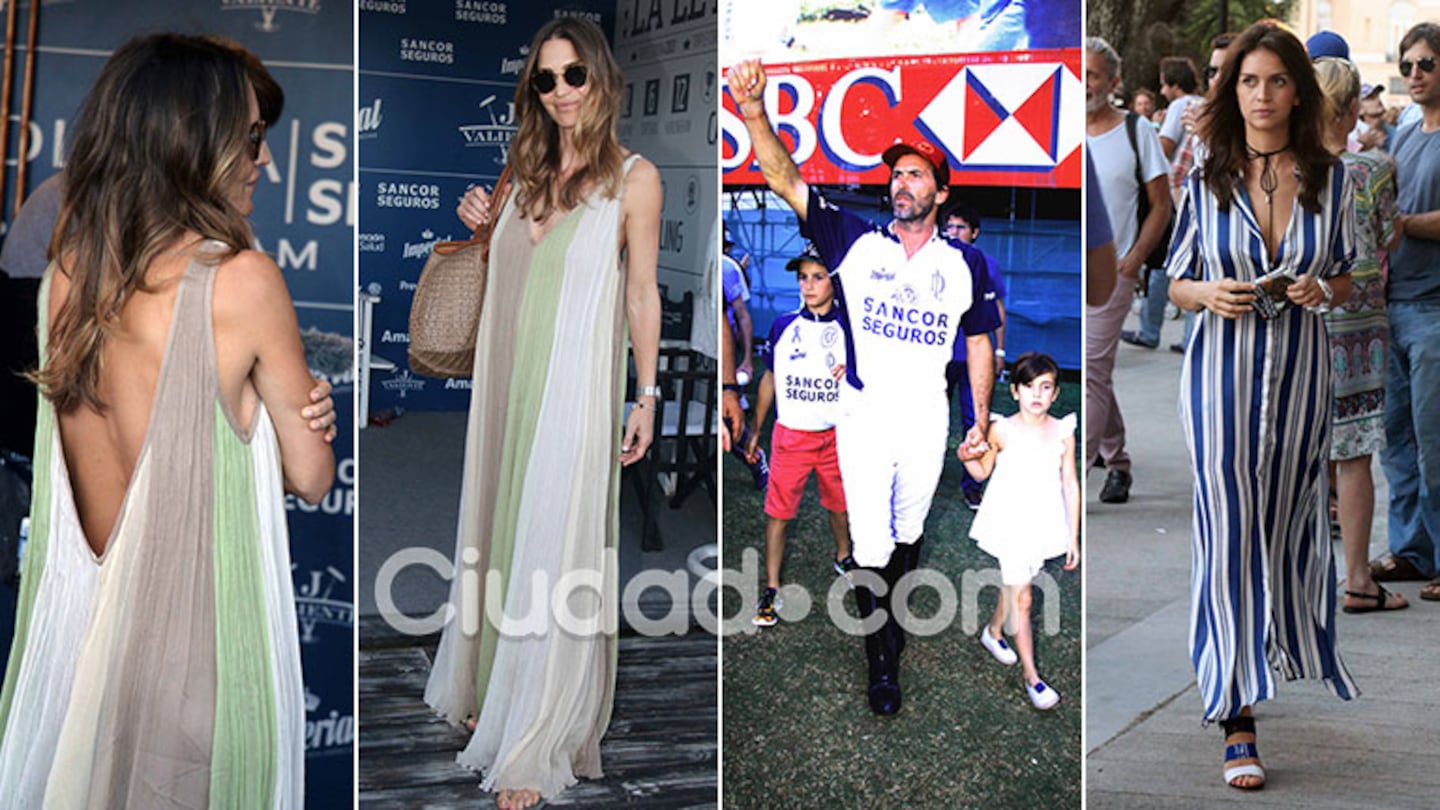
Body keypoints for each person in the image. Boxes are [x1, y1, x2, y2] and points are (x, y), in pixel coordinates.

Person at [0, 33, 335, 806]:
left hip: (78, 651)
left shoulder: (64, 281)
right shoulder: (242, 283)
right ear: (194, 137)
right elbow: (313, 477)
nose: (265, 161)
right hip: (200, 660)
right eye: (252, 138)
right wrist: (307, 403)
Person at [422, 17, 662, 810]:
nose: (559, 93)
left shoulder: (635, 178)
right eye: (544, 80)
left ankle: (534, 736)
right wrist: (484, 228)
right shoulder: (521, 170)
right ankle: (495, 689)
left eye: (573, 77)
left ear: (601, 80)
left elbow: (639, 292)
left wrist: (647, 394)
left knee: (553, 539)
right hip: (506, 377)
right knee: (498, 527)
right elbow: (515, 272)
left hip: (573, 387)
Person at [729, 59, 1000, 716]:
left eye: (916, 174)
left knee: (908, 536)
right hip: (866, 415)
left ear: (940, 193)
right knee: (872, 544)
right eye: (896, 173)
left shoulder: (965, 263)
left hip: (927, 417)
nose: (901, 182)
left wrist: (981, 419)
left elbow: (979, 341)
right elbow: (783, 178)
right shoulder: (855, 241)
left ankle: (887, 617)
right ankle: (883, 663)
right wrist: (756, 110)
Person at [1166, 19, 1357, 790]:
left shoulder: (1332, 178)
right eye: (1249, 81)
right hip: (1219, 382)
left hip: (1303, 385)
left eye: (1278, 80)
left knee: (1283, 528)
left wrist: (1322, 289)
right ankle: (1235, 711)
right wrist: (1207, 292)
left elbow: (1345, 274)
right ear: (1231, 89)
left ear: (1298, 91)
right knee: (1230, 529)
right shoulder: (1205, 176)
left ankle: (1269, 648)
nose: (1264, 95)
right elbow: (1175, 278)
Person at [1314, 57, 1407, 614]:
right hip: (1362, 324)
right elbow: (1389, 235)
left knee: (1299, 452)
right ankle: (1357, 579)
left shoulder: (1290, 167)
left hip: (1305, 318)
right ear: (1350, 109)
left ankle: (1293, 579)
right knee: (1355, 455)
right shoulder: (1373, 169)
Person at [959, 351, 1078, 709]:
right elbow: (983, 472)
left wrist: (1073, 536)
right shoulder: (1002, 429)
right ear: (1014, 391)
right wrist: (967, 458)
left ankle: (993, 632)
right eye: (1028, 387)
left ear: (1056, 393)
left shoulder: (1063, 431)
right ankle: (1033, 677)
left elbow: (1070, 482)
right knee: (1023, 597)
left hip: (1041, 523)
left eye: (1045, 387)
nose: (1037, 394)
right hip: (1009, 522)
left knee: (1015, 585)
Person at [744, 243, 853, 627]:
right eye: (803, 277)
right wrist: (756, 428)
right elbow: (769, 378)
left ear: (835, 282)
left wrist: (853, 373)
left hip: (835, 436)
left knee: (839, 504)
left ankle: (844, 557)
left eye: (818, 277)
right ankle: (771, 588)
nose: (808, 286)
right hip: (790, 436)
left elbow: (869, 382)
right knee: (778, 512)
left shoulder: (851, 330)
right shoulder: (783, 325)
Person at [1370, 22, 1440, 603]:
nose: (1414, 75)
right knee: (1397, 441)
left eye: (1426, 65)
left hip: (1435, 306)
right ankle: (1413, 550)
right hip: (1394, 302)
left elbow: (1409, 218)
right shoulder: (1405, 132)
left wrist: (1400, 226)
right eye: (1408, 65)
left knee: (1435, 439)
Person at [1085, 37, 1171, 503]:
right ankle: (1117, 461)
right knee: (1097, 372)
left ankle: (1076, 478)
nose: (1084, 84)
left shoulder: (1137, 132)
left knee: (1094, 368)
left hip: (1111, 272)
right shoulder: (1062, 131)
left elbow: (1161, 205)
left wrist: (1134, 258)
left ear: (1113, 82)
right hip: (1071, 274)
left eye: (1093, 75)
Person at [942, 203, 1005, 509]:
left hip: (972, 360)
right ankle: (925, 480)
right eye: (949, 227)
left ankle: (973, 485)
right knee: (933, 421)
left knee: (974, 419)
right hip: (938, 359)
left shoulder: (986, 264)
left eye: (960, 227)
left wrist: (1000, 350)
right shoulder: (935, 260)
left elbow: (998, 311)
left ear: (975, 232)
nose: (953, 233)